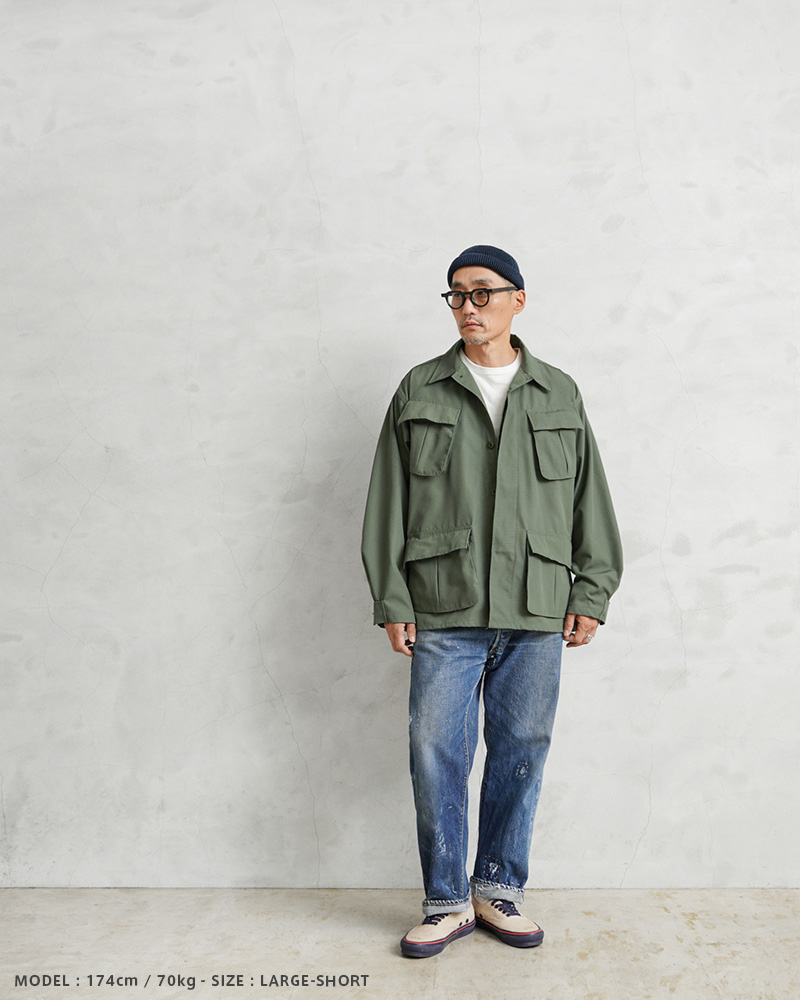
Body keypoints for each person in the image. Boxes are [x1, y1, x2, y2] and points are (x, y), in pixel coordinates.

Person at [360, 245, 623, 959]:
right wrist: (392, 598)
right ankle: (447, 902)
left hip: (537, 605)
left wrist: (592, 589)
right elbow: (387, 501)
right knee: (435, 752)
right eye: (456, 295)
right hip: (443, 605)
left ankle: (498, 889)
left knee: (521, 752)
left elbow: (589, 499)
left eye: (482, 292)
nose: (468, 306)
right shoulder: (421, 388)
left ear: (517, 300)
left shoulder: (558, 391)